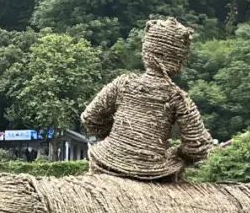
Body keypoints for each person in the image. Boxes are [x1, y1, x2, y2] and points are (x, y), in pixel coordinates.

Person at [81, 17, 212, 182]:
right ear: (180, 59)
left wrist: (115, 139)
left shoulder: (123, 83)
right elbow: (198, 147)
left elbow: (90, 118)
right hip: (153, 172)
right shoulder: (178, 98)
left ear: (146, 51)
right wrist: (175, 154)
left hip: (108, 162)